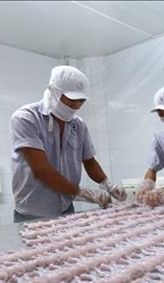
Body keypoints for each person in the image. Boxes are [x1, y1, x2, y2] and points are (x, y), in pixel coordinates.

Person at [10, 65, 126, 222]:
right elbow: (41, 170)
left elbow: (89, 161)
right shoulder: (26, 118)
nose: (77, 105)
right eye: (72, 100)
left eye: (81, 101)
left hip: (65, 208)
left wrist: (108, 184)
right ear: (55, 92)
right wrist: (84, 193)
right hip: (32, 213)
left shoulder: (78, 125)